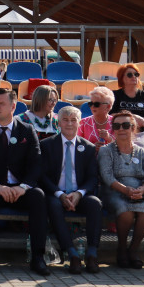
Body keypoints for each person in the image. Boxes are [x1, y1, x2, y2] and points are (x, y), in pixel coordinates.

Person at [0, 88, 50, 276]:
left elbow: (36, 164)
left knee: (38, 196)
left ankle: (38, 258)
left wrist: (24, 187)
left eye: (1, 104)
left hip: (20, 189)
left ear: (13, 106)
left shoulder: (27, 130)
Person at [39, 106, 102, 274]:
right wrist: (60, 194)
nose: (69, 123)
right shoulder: (46, 145)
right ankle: (72, 253)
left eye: (73, 120)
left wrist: (79, 194)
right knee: (53, 206)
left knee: (95, 204)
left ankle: (92, 253)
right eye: (65, 120)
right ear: (58, 122)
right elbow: (42, 176)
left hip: (78, 194)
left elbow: (92, 178)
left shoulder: (88, 147)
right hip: (55, 193)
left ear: (79, 123)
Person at [98, 110, 144, 269]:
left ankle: (134, 250)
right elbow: (107, 176)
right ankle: (122, 248)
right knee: (125, 210)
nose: (121, 129)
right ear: (113, 129)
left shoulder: (142, 151)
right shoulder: (106, 150)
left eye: (125, 125)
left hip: (139, 191)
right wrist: (126, 190)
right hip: (113, 190)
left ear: (133, 128)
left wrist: (143, 190)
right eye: (117, 126)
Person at [110, 62, 144, 154]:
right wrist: (133, 118)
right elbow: (110, 116)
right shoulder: (115, 95)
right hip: (122, 133)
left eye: (136, 74)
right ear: (122, 78)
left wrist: (142, 122)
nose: (134, 77)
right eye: (130, 75)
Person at [77, 86, 114, 151]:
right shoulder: (83, 123)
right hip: (89, 159)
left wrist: (109, 138)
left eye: (97, 104)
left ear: (108, 106)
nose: (93, 107)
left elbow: (122, 147)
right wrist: (92, 147)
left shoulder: (116, 123)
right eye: (91, 103)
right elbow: (77, 146)